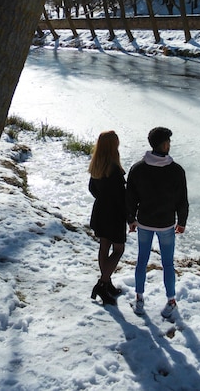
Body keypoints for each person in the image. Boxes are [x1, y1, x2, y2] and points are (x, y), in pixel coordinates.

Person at [126, 127, 189, 318]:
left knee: (142, 261)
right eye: (168, 141)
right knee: (168, 264)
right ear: (163, 144)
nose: (169, 144)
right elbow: (182, 199)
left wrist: (131, 219)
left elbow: (130, 197)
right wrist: (182, 221)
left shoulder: (137, 168)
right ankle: (171, 301)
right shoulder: (176, 170)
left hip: (144, 222)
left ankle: (139, 300)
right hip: (166, 224)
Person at [88, 130, 127, 306]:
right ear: (113, 145)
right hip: (114, 214)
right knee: (118, 249)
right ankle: (102, 284)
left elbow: (92, 189)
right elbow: (121, 197)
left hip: (100, 211)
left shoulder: (96, 165)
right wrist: (130, 216)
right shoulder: (114, 169)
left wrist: (102, 199)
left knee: (104, 247)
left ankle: (107, 282)